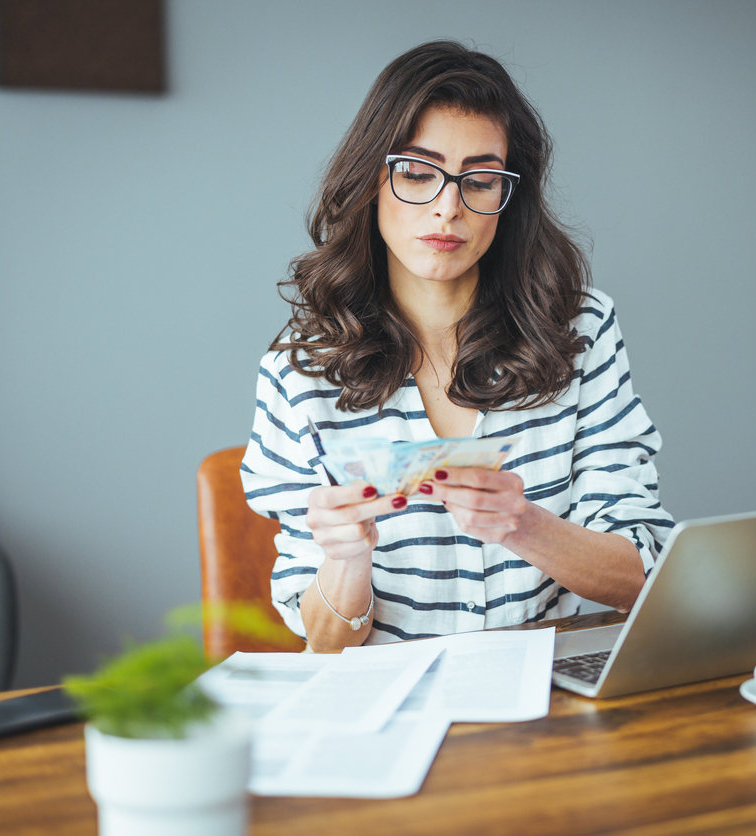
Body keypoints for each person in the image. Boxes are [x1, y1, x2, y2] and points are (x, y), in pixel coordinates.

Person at [241, 40, 673, 652]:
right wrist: (346, 561)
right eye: (417, 172)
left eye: (481, 179)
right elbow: (327, 644)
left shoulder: (582, 329)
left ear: (507, 195)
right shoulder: (302, 369)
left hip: (556, 691)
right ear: (372, 178)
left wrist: (525, 526)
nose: (449, 208)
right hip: (392, 701)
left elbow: (641, 576)